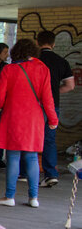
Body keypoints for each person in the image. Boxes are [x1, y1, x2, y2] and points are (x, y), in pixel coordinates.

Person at [0, 39, 58, 208]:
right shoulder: (43, 69)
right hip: (34, 118)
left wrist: (3, 105)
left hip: (13, 116)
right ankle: (33, 197)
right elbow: (48, 98)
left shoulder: (9, 69)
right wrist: (53, 119)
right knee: (32, 156)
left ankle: (9, 196)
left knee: (13, 156)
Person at [37, 30, 75, 187]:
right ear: (53, 44)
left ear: (38, 43)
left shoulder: (34, 61)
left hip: (34, 105)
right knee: (49, 140)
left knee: (30, 138)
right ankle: (51, 174)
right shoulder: (61, 61)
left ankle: (25, 173)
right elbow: (70, 86)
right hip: (53, 105)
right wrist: (53, 92)